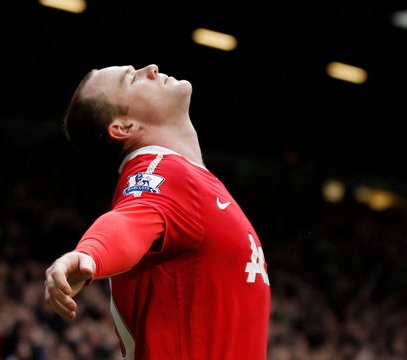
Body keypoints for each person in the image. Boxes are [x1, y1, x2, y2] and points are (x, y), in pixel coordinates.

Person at [43, 64, 271, 359]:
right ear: (124, 127)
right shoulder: (162, 172)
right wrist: (90, 253)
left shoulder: (193, 180)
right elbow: (131, 219)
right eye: (133, 78)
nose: (150, 68)